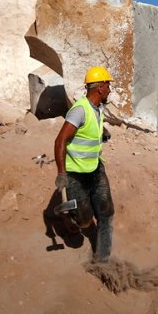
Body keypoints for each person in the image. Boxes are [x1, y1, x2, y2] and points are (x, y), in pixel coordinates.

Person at [54, 66, 115, 262]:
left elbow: (93, 124)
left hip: (96, 169)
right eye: (108, 85)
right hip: (76, 176)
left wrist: (102, 131)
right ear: (100, 88)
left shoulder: (98, 108)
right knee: (85, 220)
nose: (110, 89)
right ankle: (71, 216)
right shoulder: (79, 110)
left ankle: (103, 258)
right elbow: (60, 141)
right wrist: (62, 173)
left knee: (106, 213)